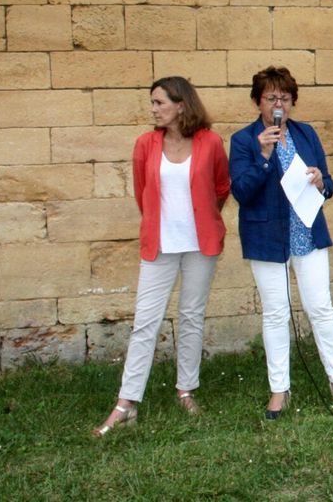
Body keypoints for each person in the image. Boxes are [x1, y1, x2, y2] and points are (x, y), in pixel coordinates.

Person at [93, 77, 229, 436]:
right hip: (159, 245)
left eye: (159, 102)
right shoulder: (145, 144)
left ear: (181, 104)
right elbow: (143, 192)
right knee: (145, 323)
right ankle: (126, 403)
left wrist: (203, 217)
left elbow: (221, 187)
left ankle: (186, 390)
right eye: (152, 103)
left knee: (191, 317)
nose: (153, 109)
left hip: (201, 245)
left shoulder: (210, 142)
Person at [229, 66, 333, 418]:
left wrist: (320, 181)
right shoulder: (244, 141)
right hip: (267, 236)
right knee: (275, 313)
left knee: (320, 307)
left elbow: (329, 183)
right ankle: (279, 389)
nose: (278, 103)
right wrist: (265, 157)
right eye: (271, 97)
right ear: (258, 102)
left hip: (307, 233)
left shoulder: (306, 134)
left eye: (284, 97)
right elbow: (241, 191)